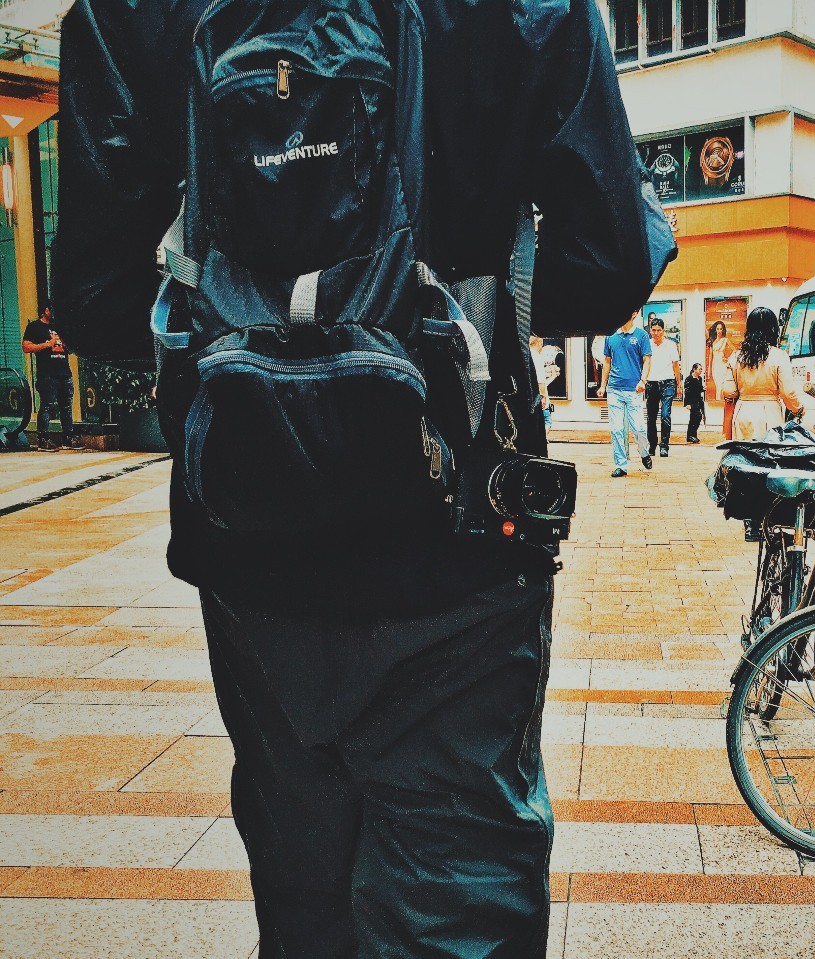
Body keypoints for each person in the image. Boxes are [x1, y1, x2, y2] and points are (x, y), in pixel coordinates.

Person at [53, 2, 675, 956]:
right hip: (458, 545)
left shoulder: (125, 12)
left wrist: (256, 332)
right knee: (459, 907)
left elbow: (94, 303)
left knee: (304, 912)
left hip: (252, 552)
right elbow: (608, 263)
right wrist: (445, 310)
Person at [725, 307, 804, 441]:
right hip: (770, 414)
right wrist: (798, 409)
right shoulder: (779, 356)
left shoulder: (736, 356)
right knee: (769, 457)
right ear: (773, 329)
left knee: (744, 458)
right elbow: (787, 392)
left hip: (742, 414)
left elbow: (729, 391)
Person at [21, 307, 81, 451]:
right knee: (47, 405)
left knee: (66, 407)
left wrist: (68, 345)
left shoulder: (60, 327)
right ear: (45, 310)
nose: (55, 313)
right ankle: (43, 439)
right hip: (47, 374)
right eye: (52, 309)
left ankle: (68, 438)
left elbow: (72, 349)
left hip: (64, 373)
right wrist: (48, 344)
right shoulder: (35, 326)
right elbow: (26, 347)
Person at [601, 312, 653, 478]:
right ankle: (621, 465)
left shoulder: (641, 335)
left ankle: (644, 452)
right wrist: (603, 385)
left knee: (638, 428)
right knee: (616, 429)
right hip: (614, 389)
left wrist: (643, 381)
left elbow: (647, 360)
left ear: (634, 314)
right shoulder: (610, 336)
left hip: (634, 390)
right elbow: (607, 362)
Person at [645, 315, 681, 457]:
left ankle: (664, 445)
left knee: (665, 415)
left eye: (659, 330)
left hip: (668, 383)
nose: (656, 333)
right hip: (651, 383)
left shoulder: (671, 345)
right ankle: (652, 445)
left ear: (663, 331)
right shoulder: (647, 344)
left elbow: (675, 365)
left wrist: (679, 384)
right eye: (653, 330)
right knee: (651, 417)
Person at [530, 333, 553, 430]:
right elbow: (540, 381)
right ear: (538, 343)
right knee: (546, 421)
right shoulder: (536, 356)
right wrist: (543, 397)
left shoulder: (528, 355)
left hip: (531, 396)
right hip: (538, 396)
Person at [707, 319, 732, 402]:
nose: (719, 331)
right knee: (718, 386)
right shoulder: (712, 341)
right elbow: (710, 356)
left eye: (721, 329)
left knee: (722, 386)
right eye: (718, 329)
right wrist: (709, 370)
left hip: (723, 365)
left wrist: (728, 359)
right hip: (715, 366)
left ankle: (721, 403)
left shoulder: (725, 340)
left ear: (723, 330)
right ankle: (718, 402)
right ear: (715, 329)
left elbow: (735, 351)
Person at [684, 362, 706, 443]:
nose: (701, 371)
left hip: (698, 401)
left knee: (695, 418)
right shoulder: (689, 379)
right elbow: (687, 392)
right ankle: (691, 435)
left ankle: (692, 435)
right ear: (694, 369)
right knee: (696, 417)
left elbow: (698, 389)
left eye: (701, 369)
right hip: (692, 401)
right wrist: (687, 404)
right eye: (699, 369)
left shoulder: (699, 378)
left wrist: (703, 388)